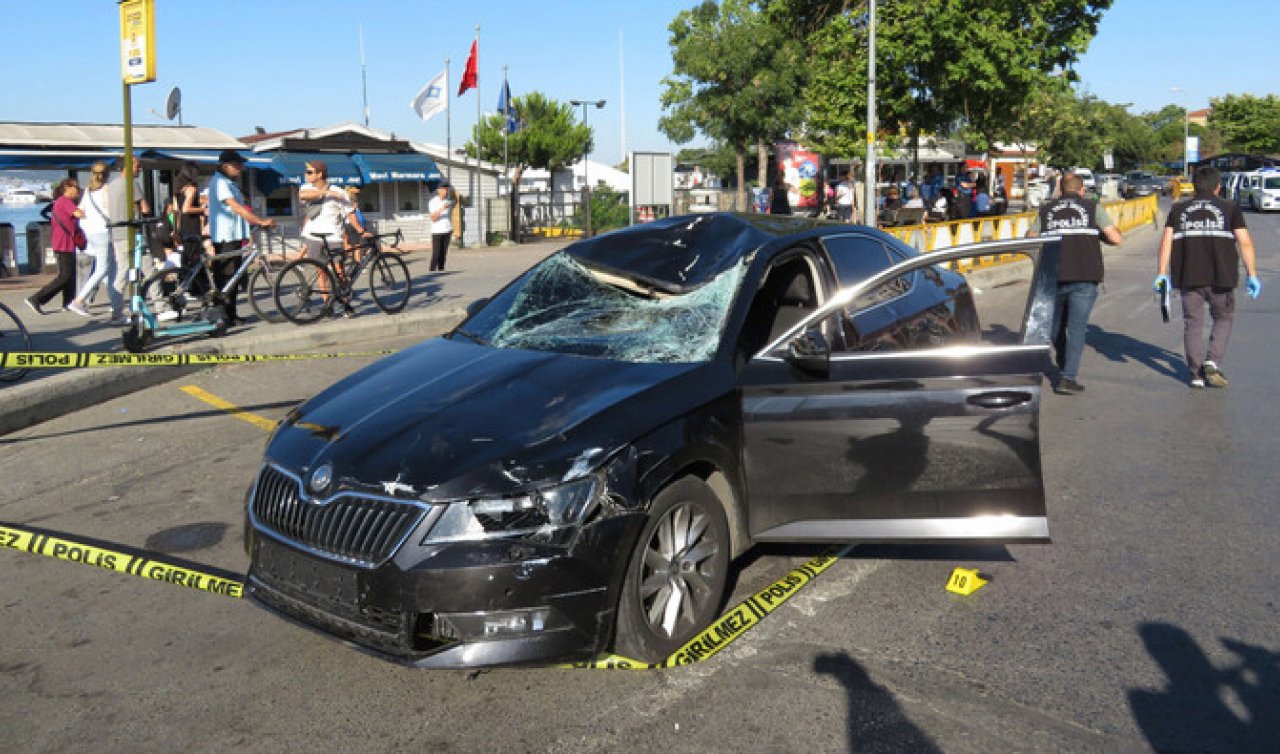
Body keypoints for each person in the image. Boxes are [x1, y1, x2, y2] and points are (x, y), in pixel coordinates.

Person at [1154, 165, 1261, 389]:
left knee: (1192, 323)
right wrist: (1252, 274)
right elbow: (1245, 242)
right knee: (1223, 318)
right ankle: (1212, 361)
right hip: (1221, 276)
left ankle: (1195, 374)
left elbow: (1166, 243)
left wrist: (1162, 274)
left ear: (1193, 185)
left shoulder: (1178, 210)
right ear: (1218, 187)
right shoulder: (1230, 208)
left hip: (1188, 276)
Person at [1027, 172, 1122, 394]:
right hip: (1085, 275)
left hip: (1053, 276)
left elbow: (1031, 237)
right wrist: (1098, 234)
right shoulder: (1092, 208)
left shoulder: (1047, 210)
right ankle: (1068, 377)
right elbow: (1116, 238)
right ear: (1082, 190)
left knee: (1055, 326)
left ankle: (1061, 355)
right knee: (1077, 328)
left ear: (1060, 190)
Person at [208, 149, 274, 325]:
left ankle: (229, 314)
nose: (241, 168)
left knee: (234, 277)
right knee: (228, 277)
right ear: (226, 166)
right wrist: (260, 221)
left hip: (235, 235)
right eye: (237, 165)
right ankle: (224, 316)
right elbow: (236, 207)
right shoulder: (220, 182)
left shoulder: (229, 182)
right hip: (226, 237)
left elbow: (242, 205)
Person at [67, 162, 126, 323]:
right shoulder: (106, 189)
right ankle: (79, 301)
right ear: (107, 174)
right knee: (102, 269)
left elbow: (81, 211)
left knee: (112, 271)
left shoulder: (87, 191)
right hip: (103, 232)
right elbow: (110, 209)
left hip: (90, 232)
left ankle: (117, 311)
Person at [27, 178, 85, 316]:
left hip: (66, 242)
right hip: (63, 243)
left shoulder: (63, 202)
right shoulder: (64, 201)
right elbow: (80, 214)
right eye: (76, 187)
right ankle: (37, 299)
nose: (77, 190)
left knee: (71, 274)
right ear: (68, 188)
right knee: (65, 276)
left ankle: (68, 301)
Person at [428, 183, 455, 271]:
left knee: (443, 253)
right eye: (444, 189)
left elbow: (455, 200)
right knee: (436, 254)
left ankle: (441, 270)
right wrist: (442, 209)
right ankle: (432, 271)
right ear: (438, 190)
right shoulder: (433, 202)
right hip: (437, 231)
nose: (446, 191)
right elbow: (433, 218)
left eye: (447, 189)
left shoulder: (448, 201)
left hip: (447, 230)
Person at [343, 185, 374, 262]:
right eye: (354, 188)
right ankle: (358, 263)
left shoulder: (343, 199)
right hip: (352, 225)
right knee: (357, 246)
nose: (357, 190)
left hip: (345, 224)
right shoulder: (351, 200)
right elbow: (355, 213)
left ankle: (340, 262)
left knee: (346, 245)